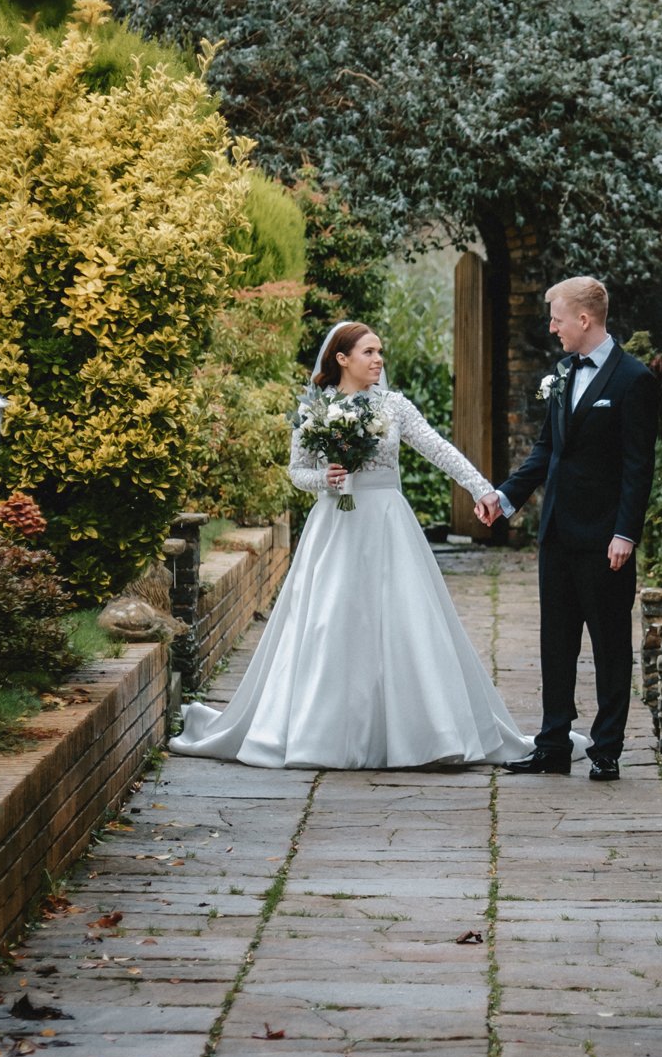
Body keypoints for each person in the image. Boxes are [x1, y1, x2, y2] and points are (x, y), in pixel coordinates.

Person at [169, 320, 545, 770]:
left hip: (388, 524)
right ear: (342, 359)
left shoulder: (395, 406)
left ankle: (419, 733)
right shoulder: (315, 410)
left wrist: (482, 489)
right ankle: (322, 732)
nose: (378, 360)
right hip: (336, 526)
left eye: (380, 351)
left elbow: (437, 448)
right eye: (368, 352)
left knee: (404, 622)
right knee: (331, 620)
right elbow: (298, 470)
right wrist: (324, 480)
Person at [477, 276, 657, 781]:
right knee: (556, 644)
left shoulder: (633, 379)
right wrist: (506, 496)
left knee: (610, 645)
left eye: (556, 317)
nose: (551, 326)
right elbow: (545, 449)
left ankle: (606, 749)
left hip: (605, 540)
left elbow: (638, 466)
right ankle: (553, 744)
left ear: (583, 319)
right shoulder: (559, 373)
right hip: (556, 533)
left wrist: (627, 532)